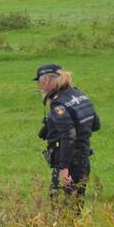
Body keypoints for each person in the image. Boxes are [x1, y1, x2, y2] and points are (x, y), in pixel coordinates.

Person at [35, 64, 100, 204]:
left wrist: (64, 169)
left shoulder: (59, 103)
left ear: (46, 81)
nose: (39, 87)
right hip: (84, 160)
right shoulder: (79, 94)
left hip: (70, 165)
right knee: (76, 207)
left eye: (39, 83)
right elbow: (95, 124)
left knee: (60, 209)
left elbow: (68, 136)